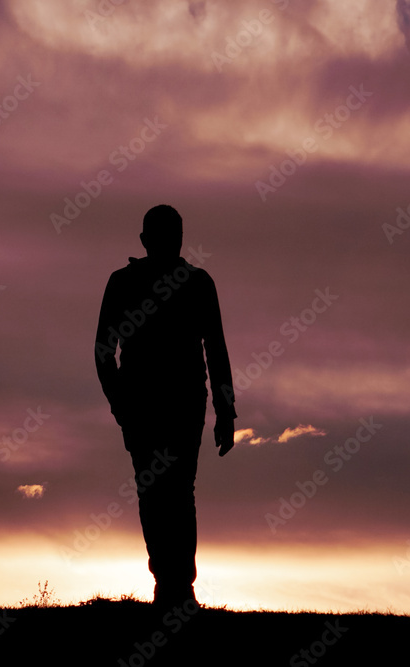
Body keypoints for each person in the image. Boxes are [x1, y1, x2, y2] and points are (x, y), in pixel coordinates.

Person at [94, 204, 236, 608]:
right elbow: (103, 349)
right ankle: (170, 583)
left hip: (182, 400)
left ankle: (176, 585)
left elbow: (216, 349)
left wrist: (226, 411)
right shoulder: (125, 283)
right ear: (145, 241)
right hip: (147, 402)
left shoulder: (197, 283)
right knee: (158, 489)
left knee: (171, 490)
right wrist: (120, 402)